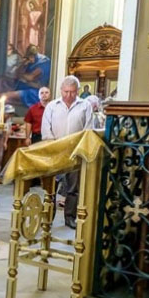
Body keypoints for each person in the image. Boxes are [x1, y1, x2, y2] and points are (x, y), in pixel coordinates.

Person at [42, 76, 93, 229]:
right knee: (51, 187)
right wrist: (53, 146)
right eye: (66, 92)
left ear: (78, 91)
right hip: (55, 152)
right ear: (61, 90)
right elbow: (46, 129)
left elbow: (88, 129)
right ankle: (47, 217)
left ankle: (70, 217)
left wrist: (80, 148)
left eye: (72, 92)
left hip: (75, 152)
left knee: (73, 188)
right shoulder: (52, 106)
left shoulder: (85, 106)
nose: (69, 95)